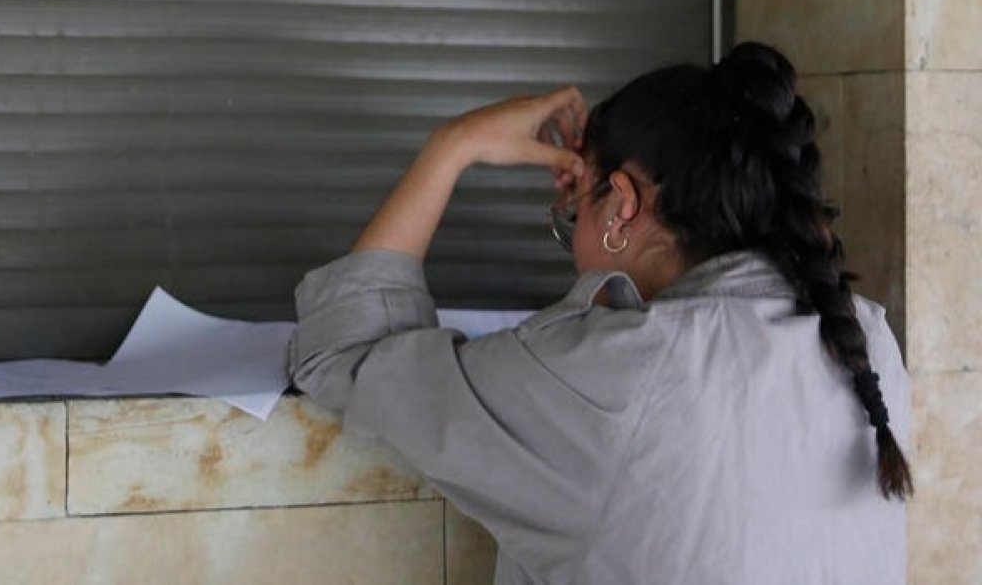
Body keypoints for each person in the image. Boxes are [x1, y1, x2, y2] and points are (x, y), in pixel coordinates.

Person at [286, 42, 912, 584]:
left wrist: (454, 145)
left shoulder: (611, 376)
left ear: (623, 205)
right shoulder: (870, 343)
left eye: (574, 211)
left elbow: (345, 353)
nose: (570, 232)